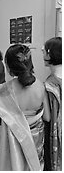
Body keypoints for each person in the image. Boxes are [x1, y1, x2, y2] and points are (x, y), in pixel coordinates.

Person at [0, 44, 50, 171]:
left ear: (8, 67)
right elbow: (46, 117)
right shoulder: (42, 86)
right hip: (36, 137)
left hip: (12, 141)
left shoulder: (1, 91)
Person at [42, 37, 62, 171]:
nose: (42, 52)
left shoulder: (49, 85)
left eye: (44, 50)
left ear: (50, 54)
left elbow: (48, 118)